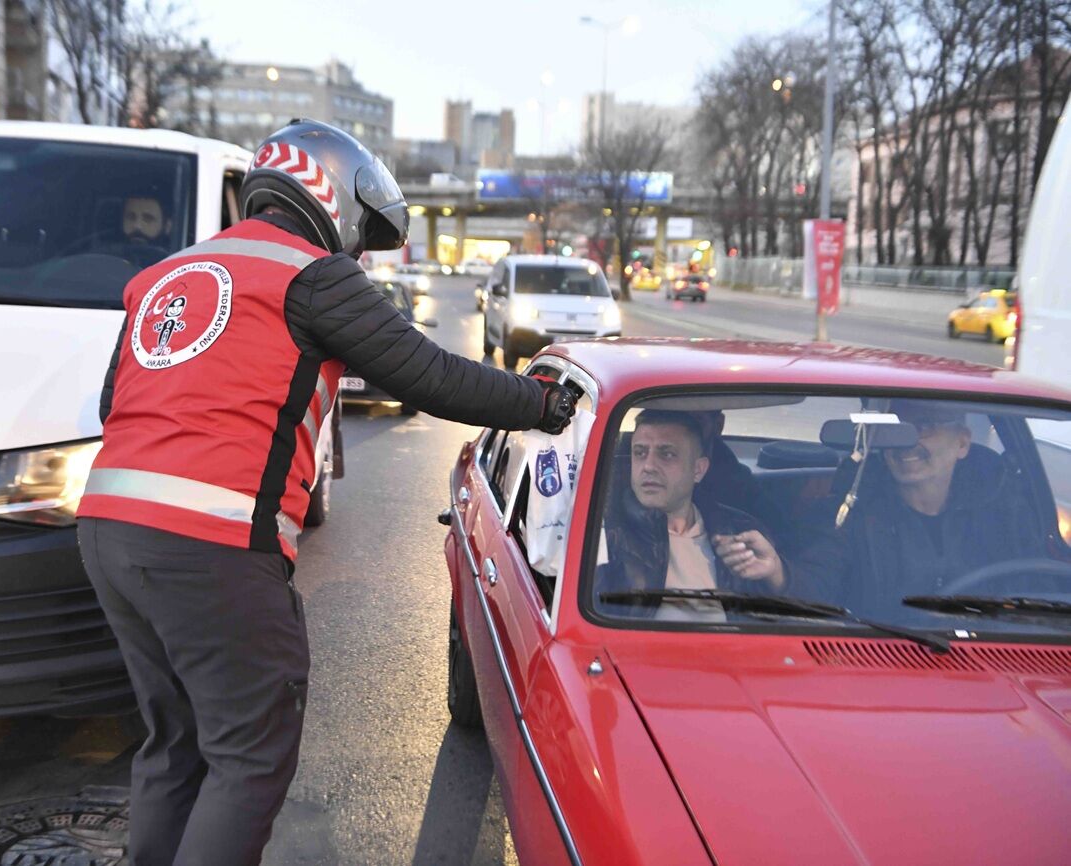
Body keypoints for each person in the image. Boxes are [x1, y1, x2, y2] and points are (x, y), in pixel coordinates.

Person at [75, 119, 575, 866]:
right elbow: (427, 373)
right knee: (250, 756)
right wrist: (540, 404)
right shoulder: (311, 274)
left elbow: (115, 401)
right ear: (332, 194)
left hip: (107, 534)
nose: (360, 252)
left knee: (173, 742)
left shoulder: (168, 274)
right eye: (361, 234)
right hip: (213, 547)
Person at [811, 400, 1044, 612]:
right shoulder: (852, 512)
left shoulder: (1005, 514)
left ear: (962, 443)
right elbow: (816, 580)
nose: (906, 442)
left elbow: (1037, 589)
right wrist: (780, 574)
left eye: (924, 426)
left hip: (992, 646)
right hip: (880, 648)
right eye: (897, 429)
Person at [598, 409, 789, 621]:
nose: (648, 466)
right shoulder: (603, 533)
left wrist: (777, 574)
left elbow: (793, 619)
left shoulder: (738, 530)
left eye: (667, 454)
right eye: (640, 452)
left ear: (698, 470)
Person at [101, 193, 175, 267]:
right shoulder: (103, 259)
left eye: (148, 219)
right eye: (131, 217)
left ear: (167, 226)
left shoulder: (174, 267)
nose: (137, 226)